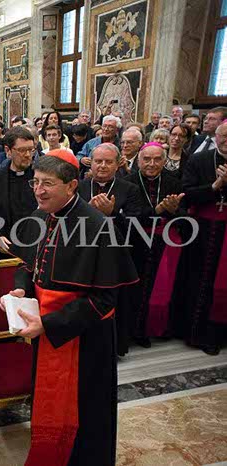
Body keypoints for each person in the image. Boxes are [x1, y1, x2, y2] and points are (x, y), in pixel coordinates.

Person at [4, 151, 138, 466]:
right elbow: (27, 264)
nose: (39, 191)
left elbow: (104, 300)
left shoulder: (98, 226)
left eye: (47, 184)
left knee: (85, 414)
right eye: (36, 182)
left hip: (85, 340)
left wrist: (50, 324)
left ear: (71, 185)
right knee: (47, 403)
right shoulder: (39, 216)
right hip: (45, 332)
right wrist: (22, 289)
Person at [78, 143, 144, 355]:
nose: (102, 166)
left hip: (115, 258)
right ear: (91, 163)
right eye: (98, 161)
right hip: (84, 256)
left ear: (118, 164)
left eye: (108, 162)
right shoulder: (79, 187)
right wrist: (89, 212)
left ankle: (113, 348)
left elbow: (135, 226)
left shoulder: (130, 189)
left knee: (113, 303)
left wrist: (112, 214)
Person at [125, 143, 185, 348]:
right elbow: (130, 216)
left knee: (160, 287)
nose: (152, 164)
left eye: (157, 159)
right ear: (139, 160)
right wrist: (157, 210)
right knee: (135, 287)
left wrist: (174, 211)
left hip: (165, 241)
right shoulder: (129, 182)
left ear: (165, 161)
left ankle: (151, 329)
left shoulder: (174, 182)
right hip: (135, 241)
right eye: (147, 159)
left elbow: (185, 214)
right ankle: (132, 330)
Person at [177, 122, 227, 355]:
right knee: (201, 280)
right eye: (224, 136)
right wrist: (215, 186)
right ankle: (199, 334)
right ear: (215, 136)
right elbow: (187, 195)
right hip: (203, 231)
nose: (226, 141)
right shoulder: (199, 160)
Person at [0, 126, 38, 255]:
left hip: (36, 249)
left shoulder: (41, 178)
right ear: (8, 150)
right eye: (22, 150)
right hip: (5, 251)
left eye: (31, 150)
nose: (28, 155)